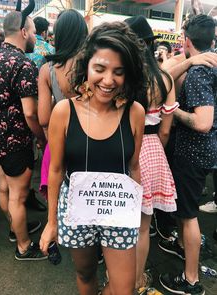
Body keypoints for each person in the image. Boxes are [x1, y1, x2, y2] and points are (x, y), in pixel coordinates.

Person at [40, 21, 148, 295]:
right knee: (85, 273)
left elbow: (134, 166)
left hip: (119, 211)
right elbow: (55, 170)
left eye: (119, 72)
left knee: (124, 289)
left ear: (129, 75)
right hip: (76, 211)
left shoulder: (134, 112)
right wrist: (52, 222)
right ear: (87, 66)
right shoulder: (64, 111)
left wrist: (139, 213)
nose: (108, 80)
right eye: (100, 69)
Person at [0, 0, 47, 260]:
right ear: (22, 32)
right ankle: (23, 245)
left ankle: (14, 228)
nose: (33, 36)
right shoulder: (23, 64)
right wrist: (41, 138)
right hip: (15, 142)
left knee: (6, 188)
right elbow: (31, 113)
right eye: (31, 31)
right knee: (18, 197)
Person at [159, 14, 217, 295]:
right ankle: (185, 252)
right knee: (186, 211)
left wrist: (173, 111)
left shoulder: (199, 73)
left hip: (194, 152)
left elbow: (203, 122)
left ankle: (191, 280)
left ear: (187, 40)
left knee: (188, 214)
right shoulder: (211, 65)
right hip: (206, 152)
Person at [125, 15, 177, 294]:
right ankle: (137, 280)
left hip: (123, 151)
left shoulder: (124, 75)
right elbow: (166, 132)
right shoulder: (165, 78)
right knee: (144, 226)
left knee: (122, 223)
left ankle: (117, 276)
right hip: (153, 149)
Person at [38, 9, 88, 198]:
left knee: (58, 195)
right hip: (89, 136)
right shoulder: (91, 64)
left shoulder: (47, 69)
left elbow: (43, 118)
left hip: (58, 139)